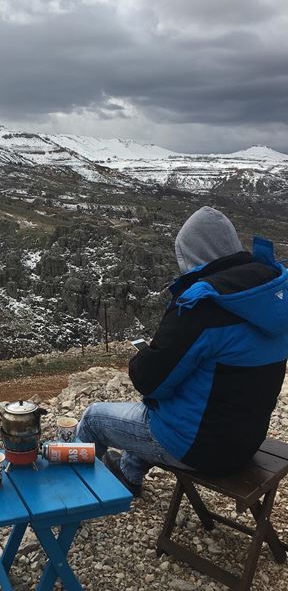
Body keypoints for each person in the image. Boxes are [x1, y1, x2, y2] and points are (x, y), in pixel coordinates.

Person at [77, 206, 288, 496]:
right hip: (246, 440)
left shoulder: (203, 306)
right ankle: (128, 474)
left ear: (191, 255)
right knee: (174, 400)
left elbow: (150, 382)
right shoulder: (271, 297)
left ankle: (70, 500)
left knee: (93, 417)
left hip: (200, 449)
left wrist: (144, 358)